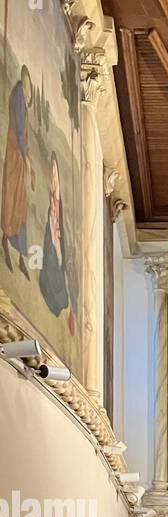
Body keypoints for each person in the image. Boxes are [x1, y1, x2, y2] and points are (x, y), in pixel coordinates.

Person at [1, 67, 34, 276]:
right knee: (11, 201)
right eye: (28, 84)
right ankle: (5, 238)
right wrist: (27, 158)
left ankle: (21, 255)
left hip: (20, 158)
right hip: (15, 156)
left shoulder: (21, 95)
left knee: (20, 206)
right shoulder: (19, 95)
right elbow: (20, 131)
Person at [38, 154, 74, 333]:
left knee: (55, 264)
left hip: (55, 235)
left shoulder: (57, 200)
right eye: (52, 172)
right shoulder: (52, 200)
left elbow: (57, 204)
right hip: (52, 233)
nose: (53, 177)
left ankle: (63, 304)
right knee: (51, 267)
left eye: (55, 173)